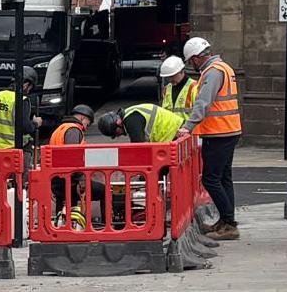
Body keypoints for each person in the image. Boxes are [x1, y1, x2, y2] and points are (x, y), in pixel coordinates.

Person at [175, 37, 242, 241]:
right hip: (229, 130)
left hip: (218, 132)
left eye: (191, 61)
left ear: (195, 58)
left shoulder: (212, 72)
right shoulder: (224, 67)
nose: (192, 65)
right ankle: (226, 220)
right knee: (223, 177)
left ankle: (229, 224)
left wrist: (188, 126)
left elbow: (204, 102)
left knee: (210, 179)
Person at [0, 66, 43, 151]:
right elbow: (26, 127)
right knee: (28, 140)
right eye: (30, 87)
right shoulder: (22, 100)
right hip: (14, 147)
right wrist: (36, 123)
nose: (29, 91)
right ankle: (26, 164)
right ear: (26, 85)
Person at [97, 103, 184, 144]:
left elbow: (139, 148)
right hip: (174, 132)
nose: (118, 135)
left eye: (116, 132)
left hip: (175, 133)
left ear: (118, 123)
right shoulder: (130, 114)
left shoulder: (131, 120)